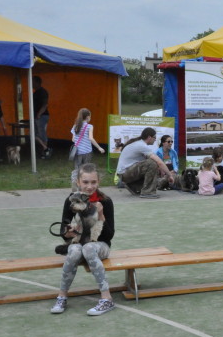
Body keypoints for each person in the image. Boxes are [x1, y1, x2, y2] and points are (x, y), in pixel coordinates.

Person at [50, 163, 115, 316]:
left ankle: (107, 299)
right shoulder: (71, 200)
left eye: (93, 182)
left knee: (88, 248)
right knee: (74, 250)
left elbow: (109, 235)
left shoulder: (105, 201)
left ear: (98, 182)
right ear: (78, 182)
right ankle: (61, 297)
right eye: (85, 182)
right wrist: (68, 232)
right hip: (79, 244)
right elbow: (63, 228)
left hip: (100, 245)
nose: (89, 186)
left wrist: (100, 215)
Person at [116, 127, 174, 199]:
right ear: (149, 137)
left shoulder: (139, 143)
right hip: (125, 174)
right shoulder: (141, 145)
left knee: (156, 166)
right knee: (152, 163)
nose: (155, 139)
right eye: (154, 137)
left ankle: (134, 186)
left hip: (126, 174)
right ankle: (147, 192)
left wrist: (161, 169)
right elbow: (159, 162)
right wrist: (169, 175)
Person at [70, 108, 105, 189]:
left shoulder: (75, 126)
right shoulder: (89, 126)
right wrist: (99, 147)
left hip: (77, 151)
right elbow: (91, 138)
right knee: (86, 169)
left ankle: (75, 182)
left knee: (77, 169)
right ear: (88, 117)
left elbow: (73, 139)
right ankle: (85, 185)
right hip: (87, 151)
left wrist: (80, 142)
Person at [32, 76, 51, 159]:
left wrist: (39, 114)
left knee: (41, 134)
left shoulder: (42, 92)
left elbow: (45, 104)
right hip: (37, 117)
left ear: (37, 82)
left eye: (32, 82)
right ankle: (46, 149)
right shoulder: (35, 92)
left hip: (42, 116)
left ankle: (45, 152)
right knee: (33, 135)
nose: (31, 84)